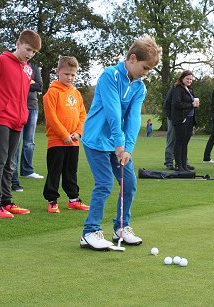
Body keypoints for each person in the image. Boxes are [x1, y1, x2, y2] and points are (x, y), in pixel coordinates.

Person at [80, 36, 161, 250]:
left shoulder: (139, 87)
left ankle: (121, 227)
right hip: (97, 140)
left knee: (130, 183)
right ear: (132, 59)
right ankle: (89, 231)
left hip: (119, 144)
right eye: (145, 68)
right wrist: (119, 143)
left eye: (149, 70)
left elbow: (134, 118)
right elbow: (113, 112)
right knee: (105, 183)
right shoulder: (110, 76)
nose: (146, 73)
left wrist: (128, 148)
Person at [0, 30, 41, 218]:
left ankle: (6, 201)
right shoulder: (1, 61)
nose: (30, 54)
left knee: (10, 163)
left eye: (34, 52)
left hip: (18, 121)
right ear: (18, 44)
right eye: (28, 49)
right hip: (0, 118)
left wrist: (24, 115)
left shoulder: (28, 68)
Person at [43, 56, 88, 213]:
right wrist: (64, 135)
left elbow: (83, 114)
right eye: (66, 74)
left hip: (73, 141)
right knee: (55, 171)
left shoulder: (76, 94)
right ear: (58, 72)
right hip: (57, 141)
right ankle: (52, 200)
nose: (70, 77)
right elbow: (51, 117)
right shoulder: (52, 92)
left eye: (73, 74)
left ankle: (73, 199)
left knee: (71, 171)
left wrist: (78, 132)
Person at [11, 61, 44, 192]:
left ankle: (27, 170)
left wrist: (28, 83)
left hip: (33, 107)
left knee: (29, 142)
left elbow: (40, 86)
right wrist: (29, 82)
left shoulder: (34, 66)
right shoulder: (14, 64)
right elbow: (15, 85)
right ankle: (12, 175)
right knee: (16, 142)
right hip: (18, 107)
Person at [171, 70, 198, 172]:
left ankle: (184, 165)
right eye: (187, 78)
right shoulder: (178, 89)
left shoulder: (190, 89)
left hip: (190, 119)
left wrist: (195, 104)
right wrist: (191, 105)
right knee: (179, 142)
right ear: (182, 78)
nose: (189, 81)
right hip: (181, 119)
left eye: (191, 79)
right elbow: (177, 104)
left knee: (185, 142)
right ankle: (179, 165)